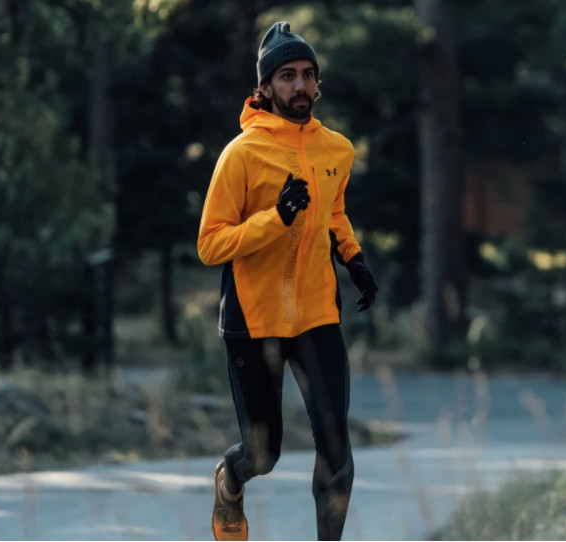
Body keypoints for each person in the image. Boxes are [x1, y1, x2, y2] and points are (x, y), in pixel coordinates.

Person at [196, 21, 379, 541]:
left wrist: (353, 257)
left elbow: (333, 211)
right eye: (287, 76)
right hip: (254, 320)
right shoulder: (241, 154)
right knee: (263, 453)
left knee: (336, 446)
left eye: (308, 74)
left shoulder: (337, 150)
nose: (300, 85)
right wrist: (275, 218)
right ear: (265, 87)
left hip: (317, 314)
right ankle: (231, 481)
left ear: (318, 83)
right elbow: (210, 244)